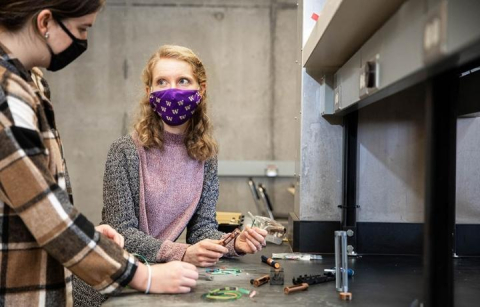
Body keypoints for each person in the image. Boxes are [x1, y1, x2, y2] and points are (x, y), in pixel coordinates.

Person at [0, 1, 198, 306]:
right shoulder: (6, 94)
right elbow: (46, 214)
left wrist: (87, 232)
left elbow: (38, 201)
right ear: (45, 23)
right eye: (81, 29)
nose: (83, 41)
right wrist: (144, 276)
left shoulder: (30, 83)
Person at [100, 45, 268, 267]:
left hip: (158, 275)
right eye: (162, 82)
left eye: (183, 81)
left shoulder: (204, 155)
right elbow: (122, 234)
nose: (172, 90)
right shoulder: (124, 151)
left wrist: (233, 243)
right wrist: (183, 253)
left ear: (201, 89)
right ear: (149, 91)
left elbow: (201, 229)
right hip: (114, 278)